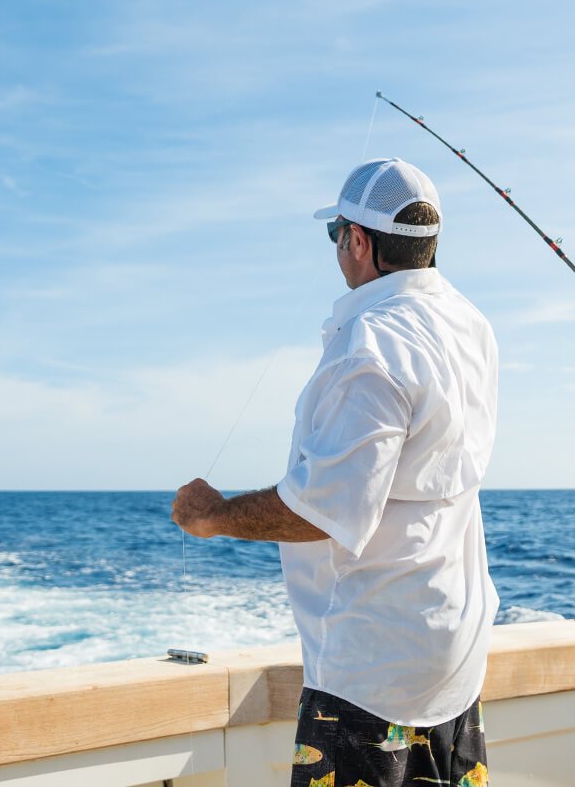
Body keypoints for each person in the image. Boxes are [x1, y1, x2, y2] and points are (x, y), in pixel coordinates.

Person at [173, 157, 499, 787]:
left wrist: (211, 517)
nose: (337, 248)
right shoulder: (471, 326)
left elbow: (326, 509)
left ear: (359, 242)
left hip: (370, 676)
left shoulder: (371, 345)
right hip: (455, 659)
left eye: (336, 234)